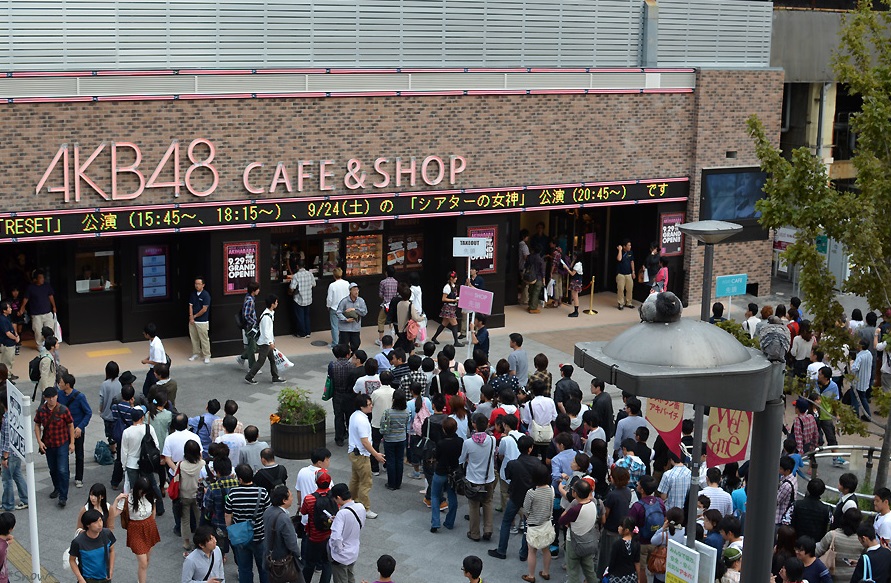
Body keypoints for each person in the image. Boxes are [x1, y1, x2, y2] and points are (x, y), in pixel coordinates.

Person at [225, 464, 271, 583]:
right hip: (260, 536)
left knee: (244, 568)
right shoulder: (262, 492)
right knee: (264, 568)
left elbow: (228, 514)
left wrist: (229, 530)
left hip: (241, 536)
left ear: (240, 479)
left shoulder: (232, 494)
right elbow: (268, 513)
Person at [111, 476, 160, 583]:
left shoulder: (150, 496)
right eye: (142, 492)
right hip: (135, 529)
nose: (144, 494)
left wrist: (152, 521)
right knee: (143, 562)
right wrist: (116, 500)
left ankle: (140, 579)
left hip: (149, 526)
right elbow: (113, 514)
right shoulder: (127, 499)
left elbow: (153, 508)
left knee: (146, 560)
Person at [33, 385, 74, 507]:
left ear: (57, 396)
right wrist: (39, 442)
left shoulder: (63, 410)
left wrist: (71, 443)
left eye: (54, 397)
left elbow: (70, 425)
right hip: (49, 444)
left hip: (62, 443)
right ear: (45, 398)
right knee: (53, 469)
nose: (52, 400)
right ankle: (57, 487)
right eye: (49, 397)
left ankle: (63, 496)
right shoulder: (41, 410)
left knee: (62, 470)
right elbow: (37, 424)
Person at [162, 414, 202, 536]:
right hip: (194, 471)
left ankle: (179, 526)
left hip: (175, 472)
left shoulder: (170, 438)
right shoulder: (194, 437)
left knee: (177, 499)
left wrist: (177, 470)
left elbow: (167, 458)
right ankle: (194, 525)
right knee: (194, 499)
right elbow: (200, 455)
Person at [120, 406, 165, 516]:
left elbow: (124, 452)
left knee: (134, 487)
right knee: (153, 485)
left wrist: (124, 466)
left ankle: (137, 508)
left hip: (131, 463)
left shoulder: (126, 432)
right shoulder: (148, 428)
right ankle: (159, 507)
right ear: (142, 417)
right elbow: (156, 445)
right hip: (147, 463)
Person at [461, 413, 497, 542]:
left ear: (473, 424)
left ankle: (474, 533)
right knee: (488, 502)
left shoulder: (468, 443)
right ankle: (488, 529)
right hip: (489, 477)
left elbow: (462, 459)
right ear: (487, 424)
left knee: (474, 506)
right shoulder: (493, 440)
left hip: (473, 478)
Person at [348, 394, 385, 519]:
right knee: (365, 482)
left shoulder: (355, 415)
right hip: (362, 455)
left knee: (355, 479)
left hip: (354, 452)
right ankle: (365, 508)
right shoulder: (362, 420)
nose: (371, 406)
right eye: (369, 405)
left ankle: (351, 501)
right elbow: (365, 441)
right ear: (361, 406)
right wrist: (376, 454)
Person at [57, 372, 92, 489]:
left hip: (77, 430)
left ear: (67, 384)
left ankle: (79, 477)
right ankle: (64, 476)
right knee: (63, 454)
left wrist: (81, 427)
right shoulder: (59, 395)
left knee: (79, 454)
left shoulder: (80, 397)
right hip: (63, 430)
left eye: (61, 382)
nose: (59, 383)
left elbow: (88, 412)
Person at [522, 463, 556, 582]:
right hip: (547, 524)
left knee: (532, 551)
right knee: (546, 549)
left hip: (533, 525)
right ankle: (546, 572)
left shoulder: (531, 492)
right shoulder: (551, 489)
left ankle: (531, 576)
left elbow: (526, 509)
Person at [300, 469, 334, 583]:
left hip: (314, 537)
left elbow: (303, 512)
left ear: (316, 482)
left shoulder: (309, 499)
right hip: (329, 535)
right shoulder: (335, 498)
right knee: (327, 563)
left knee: (309, 563)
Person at [328, 483, 367, 583]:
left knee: (341, 579)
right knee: (350, 577)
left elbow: (336, 538)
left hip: (341, 555)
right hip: (353, 551)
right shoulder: (360, 507)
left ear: (338, 497)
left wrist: (338, 550)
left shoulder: (342, 513)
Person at [245, 294, 287, 385]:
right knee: (261, 361)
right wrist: (270, 342)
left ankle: (275, 377)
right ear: (272, 304)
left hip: (267, 342)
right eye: (276, 302)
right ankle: (249, 376)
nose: (277, 303)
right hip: (265, 343)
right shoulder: (266, 317)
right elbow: (265, 332)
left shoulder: (269, 314)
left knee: (272, 359)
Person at [262, 485, 301, 580]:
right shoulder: (283, 518)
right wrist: (298, 555)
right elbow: (291, 543)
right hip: (283, 560)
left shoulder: (268, 511)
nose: (292, 498)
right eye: (291, 496)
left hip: (270, 556)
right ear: (284, 500)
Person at [816, 507, 862, 582]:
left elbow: (818, 550)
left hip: (832, 576)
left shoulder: (832, 535)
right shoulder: (861, 539)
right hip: (853, 577)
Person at [69, 509, 115, 583]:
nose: (100, 524)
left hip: (105, 578)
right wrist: (80, 578)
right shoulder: (78, 542)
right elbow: (72, 560)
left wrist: (111, 569)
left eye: (100, 520)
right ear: (88, 525)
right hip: (88, 579)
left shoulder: (107, 533)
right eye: (95, 522)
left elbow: (112, 550)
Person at [0, 392, 27, 511]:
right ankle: (26, 499)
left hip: (9, 454)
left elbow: (7, 439)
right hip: (16, 452)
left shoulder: (6, 419)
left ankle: (8, 504)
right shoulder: (15, 415)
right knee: (17, 475)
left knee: (7, 479)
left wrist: (5, 457)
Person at [178, 440, 206, 552]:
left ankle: (186, 542)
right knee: (200, 518)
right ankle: (200, 540)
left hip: (184, 495)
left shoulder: (181, 465)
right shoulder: (202, 464)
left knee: (185, 519)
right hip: (198, 495)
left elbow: (176, 480)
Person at [18, 269, 56, 348]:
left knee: (49, 330)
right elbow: (26, 298)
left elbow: (51, 296)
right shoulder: (31, 288)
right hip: (36, 314)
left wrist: (54, 306)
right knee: (38, 331)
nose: (42, 279)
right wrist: (22, 307)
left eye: (43, 278)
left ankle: (49, 344)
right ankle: (40, 345)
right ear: (36, 279)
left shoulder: (46, 285)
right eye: (40, 278)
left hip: (47, 312)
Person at [380, 391, 410, 491]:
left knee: (391, 461)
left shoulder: (388, 412)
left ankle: (391, 483)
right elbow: (406, 423)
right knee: (399, 460)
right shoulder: (407, 411)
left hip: (389, 439)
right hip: (401, 438)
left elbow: (383, 425)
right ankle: (398, 483)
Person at [790, 478, 830, 544]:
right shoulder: (826, 509)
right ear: (822, 491)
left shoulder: (797, 504)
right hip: (815, 544)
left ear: (808, 488)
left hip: (797, 541)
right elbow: (825, 529)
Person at [431, 271, 464, 347]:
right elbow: (443, 299)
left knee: (444, 324)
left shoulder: (454, 286)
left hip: (452, 307)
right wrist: (454, 300)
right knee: (455, 324)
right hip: (448, 307)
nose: (456, 278)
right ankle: (456, 342)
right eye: (454, 277)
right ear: (451, 278)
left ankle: (434, 337)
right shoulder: (447, 287)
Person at [609, 516, 642, 583]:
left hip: (618, 577)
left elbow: (612, 562)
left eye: (621, 526)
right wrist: (638, 578)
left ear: (626, 530)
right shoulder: (636, 544)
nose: (618, 528)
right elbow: (637, 562)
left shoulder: (617, 544)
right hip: (631, 576)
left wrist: (609, 572)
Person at [236, 280, 261, 370]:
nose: (259, 291)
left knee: (252, 345)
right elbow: (246, 315)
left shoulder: (248, 298)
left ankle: (242, 358)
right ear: (253, 291)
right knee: (252, 346)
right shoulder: (250, 300)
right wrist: (254, 323)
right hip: (250, 326)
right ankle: (252, 366)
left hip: (250, 326)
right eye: (257, 289)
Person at [290, 257, 316, 338]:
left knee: (300, 316)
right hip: (308, 298)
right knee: (306, 316)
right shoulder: (310, 274)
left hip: (299, 298)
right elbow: (314, 284)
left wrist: (290, 293)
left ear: (297, 266)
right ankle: (308, 332)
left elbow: (292, 287)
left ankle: (302, 333)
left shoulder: (296, 276)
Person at [187, 276, 212, 363]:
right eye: (195, 284)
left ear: (203, 285)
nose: (197, 285)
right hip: (192, 320)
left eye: (198, 284)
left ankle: (206, 355)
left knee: (204, 338)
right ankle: (196, 353)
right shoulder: (193, 294)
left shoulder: (206, 295)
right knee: (194, 338)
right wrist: (191, 316)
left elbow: (204, 309)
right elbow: (190, 305)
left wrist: (195, 316)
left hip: (202, 320)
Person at [140, 323, 166, 396]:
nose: (143, 334)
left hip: (157, 369)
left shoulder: (156, 346)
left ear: (148, 335)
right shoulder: (153, 340)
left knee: (149, 388)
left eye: (144, 333)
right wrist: (148, 358)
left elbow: (157, 362)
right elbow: (152, 354)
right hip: (154, 368)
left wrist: (146, 361)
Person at [851, 339, 874, 419]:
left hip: (858, 381)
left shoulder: (860, 356)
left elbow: (855, 368)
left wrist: (851, 363)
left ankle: (855, 414)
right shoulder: (869, 354)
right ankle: (867, 415)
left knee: (855, 398)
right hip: (865, 381)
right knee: (863, 398)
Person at [376, 265, 398, 346]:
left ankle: (381, 339)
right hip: (394, 305)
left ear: (386, 273)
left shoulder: (383, 282)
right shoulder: (396, 282)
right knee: (392, 322)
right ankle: (392, 338)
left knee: (381, 320)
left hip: (386, 304)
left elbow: (380, 295)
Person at [776, 456, 798, 527]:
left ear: (787, 470)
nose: (779, 469)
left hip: (780, 516)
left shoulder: (786, 485)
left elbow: (776, 501)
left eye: (781, 468)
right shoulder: (792, 479)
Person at [526, 245, 546, 314]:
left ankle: (530, 305)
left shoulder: (530, 257)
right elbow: (542, 270)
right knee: (536, 292)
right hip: (538, 277)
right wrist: (544, 279)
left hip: (531, 276)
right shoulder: (540, 259)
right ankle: (533, 307)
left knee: (531, 291)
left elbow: (526, 265)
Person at [0, 303, 18, 380]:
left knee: (10, 360)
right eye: (9, 308)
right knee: (6, 361)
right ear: (4, 310)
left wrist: (16, 334)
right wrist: (15, 338)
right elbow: (7, 333)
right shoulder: (2, 319)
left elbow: (11, 328)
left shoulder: (7, 317)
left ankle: (9, 374)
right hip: (6, 343)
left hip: (10, 343)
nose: (11, 309)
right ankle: (6, 378)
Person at [615, 239, 634, 310]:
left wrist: (633, 272)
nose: (630, 246)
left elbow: (632, 262)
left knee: (629, 289)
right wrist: (620, 250)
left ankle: (629, 302)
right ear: (624, 246)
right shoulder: (620, 252)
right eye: (628, 245)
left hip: (628, 274)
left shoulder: (631, 252)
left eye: (630, 245)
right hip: (621, 274)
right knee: (620, 289)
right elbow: (619, 259)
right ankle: (621, 303)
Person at [565, 253, 584, 318]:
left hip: (576, 281)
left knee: (575, 296)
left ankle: (576, 311)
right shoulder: (577, 263)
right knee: (574, 296)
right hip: (576, 280)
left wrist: (566, 268)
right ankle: (575, 310)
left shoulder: (578, 264)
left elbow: (572, 273)